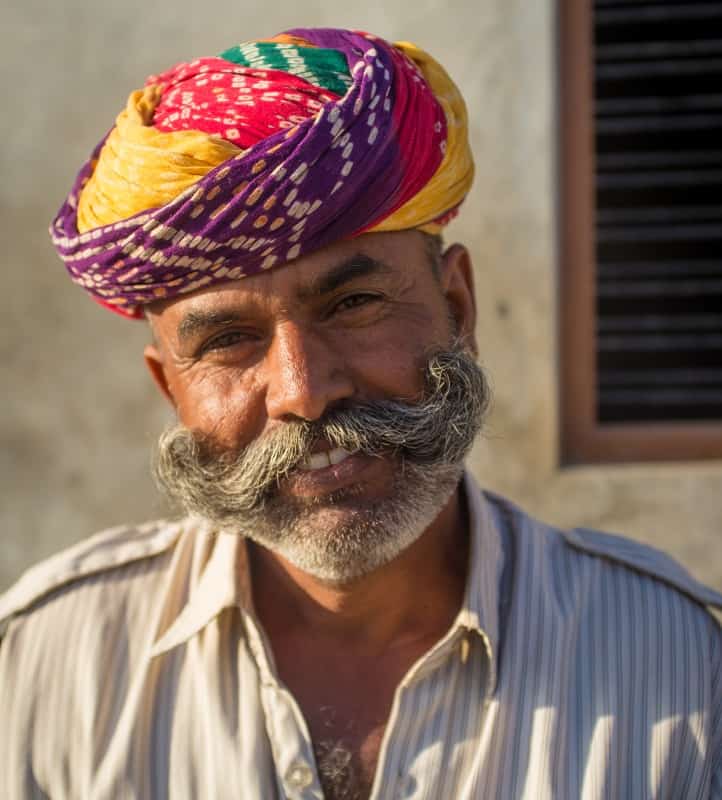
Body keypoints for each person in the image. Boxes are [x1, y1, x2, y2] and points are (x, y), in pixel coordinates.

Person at [0, 27, 720, 800]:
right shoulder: (42, 664)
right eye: (229, 342)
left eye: (355, 303)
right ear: (169, 388)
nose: (303, 390)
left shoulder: (683, 667)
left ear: (457, 305)